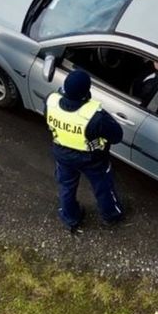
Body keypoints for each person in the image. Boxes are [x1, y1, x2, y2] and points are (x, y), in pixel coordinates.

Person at [44, 70, 125, 233]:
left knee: (66, 187)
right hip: (93, 160)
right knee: (103, 188)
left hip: (62, 155)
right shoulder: (95, 116)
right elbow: (117, 136)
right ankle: (111, 215)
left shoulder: (50, 102)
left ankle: (70, 217)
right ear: (86, 91)